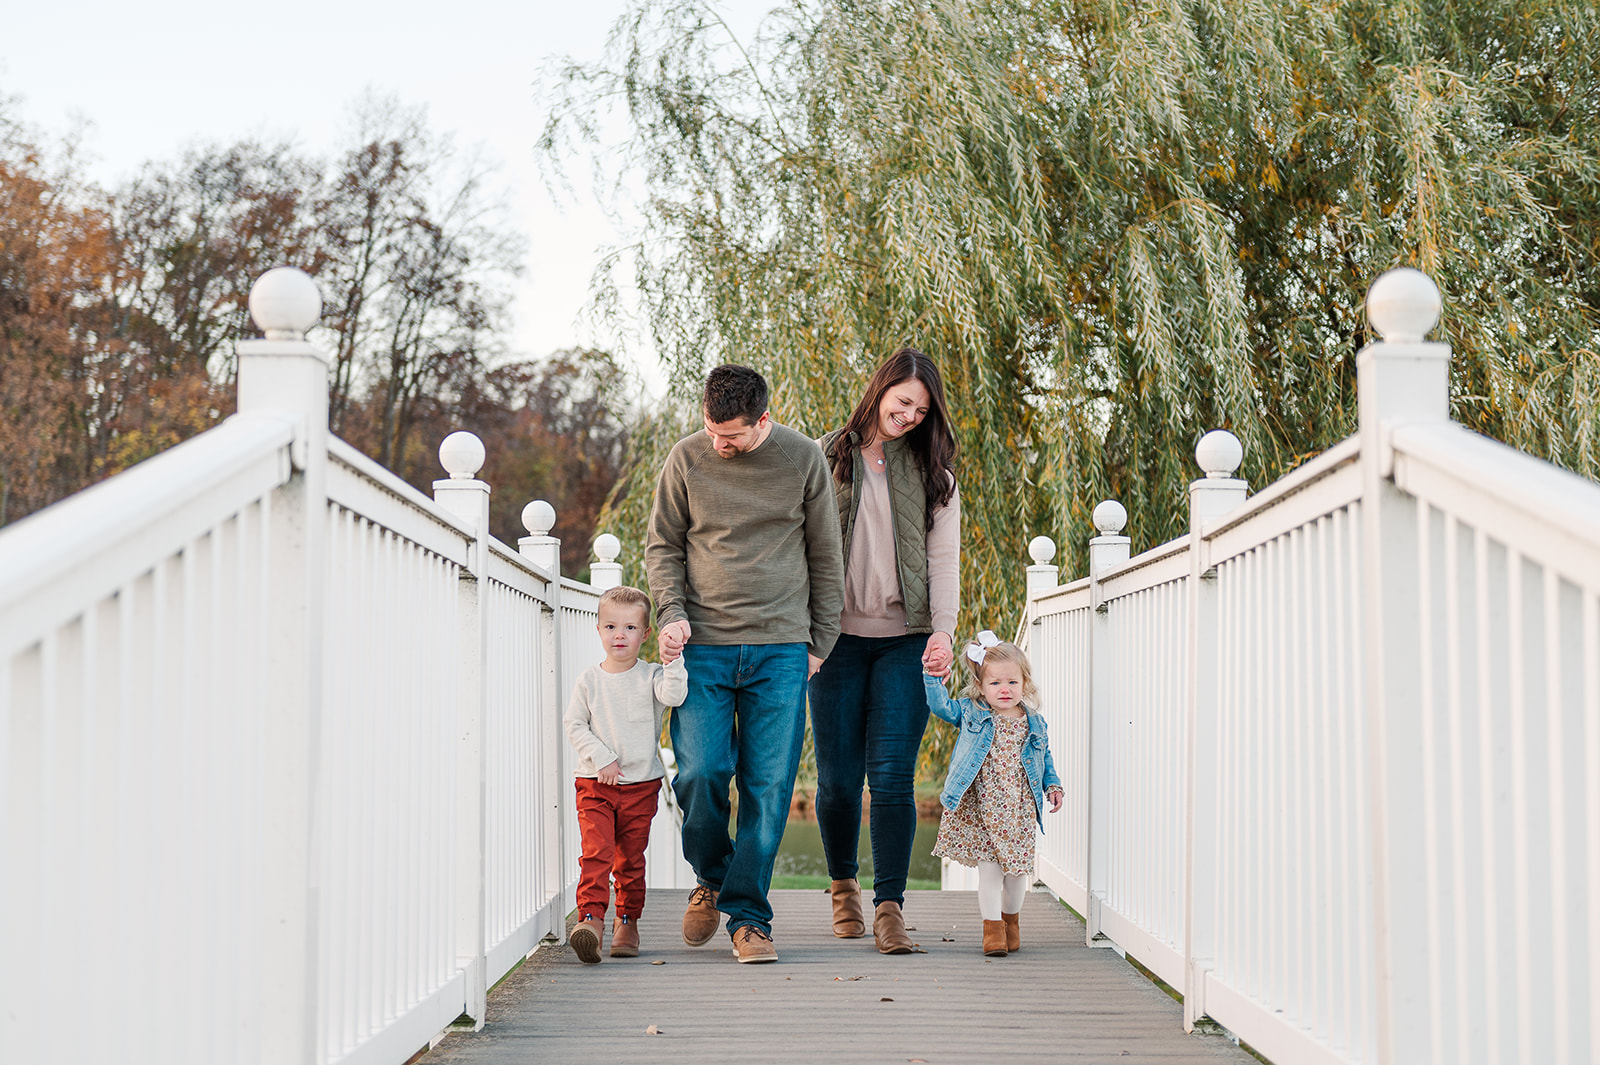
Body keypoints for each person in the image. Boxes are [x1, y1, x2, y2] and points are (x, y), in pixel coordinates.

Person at [645, 364, 845, 963]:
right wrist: (671, 612)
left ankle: (749, 919)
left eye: (731, 434)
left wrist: (820, 643)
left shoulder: (803, 458)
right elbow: (663, 546)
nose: (719, 443)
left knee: (770, 785)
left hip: (782, 649)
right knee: (700, 774)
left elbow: (825, 553)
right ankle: (713, 877)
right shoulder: (686, 459)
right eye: (711, 428)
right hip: (702, 646)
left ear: (764, 418)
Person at [811, 348, 960, 954]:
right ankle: (843, 886)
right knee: (840, 780)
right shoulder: (826, 458)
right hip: (834, 642)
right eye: (902, 402)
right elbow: (797, 545)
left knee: (894, 778)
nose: (909, 416)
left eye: (921, 410)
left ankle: (890, 907)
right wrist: (805, 634)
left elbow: (944, 560)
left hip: (905, 641)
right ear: (878, 392)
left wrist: (944, 630)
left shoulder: (935, 476)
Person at [562, 585, 688, 964]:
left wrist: (673, 660)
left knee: (631, 859)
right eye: (612, 627)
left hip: (640, 787)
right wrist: (602, 758)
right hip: (595, 783)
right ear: (598, 630)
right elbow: (574, 724)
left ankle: (627, 921)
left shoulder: (650, 676)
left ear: (645, 634)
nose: (620, 635)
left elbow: (675, 696)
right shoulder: (589, 680)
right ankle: (591, 920)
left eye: (631, 628)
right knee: (596, 853)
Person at [924, 631, 1063, 957]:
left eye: (1012, 683)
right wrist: (933, 677)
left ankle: (1010, 922)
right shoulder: (973, 713)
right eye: (996, 684)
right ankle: (992, 931)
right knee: (990, 872)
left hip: (1019, 810)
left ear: (1025, 684)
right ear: (981, 686)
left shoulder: (1035, 723)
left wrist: (1053, 786)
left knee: (1016, 876)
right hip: (983, 808)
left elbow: (1045, 760)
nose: (1005, 690)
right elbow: (941, 707)